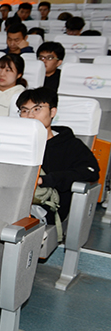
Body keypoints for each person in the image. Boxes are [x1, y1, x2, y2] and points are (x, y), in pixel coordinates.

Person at [16, 88, 100, 228]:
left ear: (52, 112)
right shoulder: (14, 142)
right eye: (24, 110)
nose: (30, 115)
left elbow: (90, 171)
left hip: (45, 206)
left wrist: (46, 180)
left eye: (37, 109)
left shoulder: (69, 144)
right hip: (12, 200)